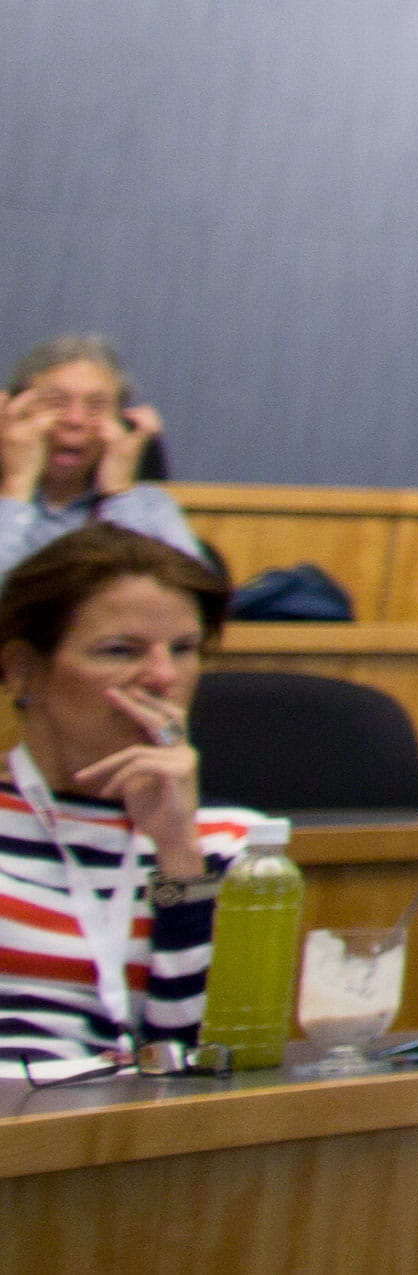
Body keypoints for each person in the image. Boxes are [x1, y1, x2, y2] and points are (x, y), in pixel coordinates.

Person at [0, 526, 260, 1068]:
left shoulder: (239, 847)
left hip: (144, 1139)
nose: (163, 677)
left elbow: (213, 1062)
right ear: (22, 668)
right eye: (120, 651)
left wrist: (178, 853)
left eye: (185, 650)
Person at [3, 336, 203, 566]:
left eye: (96, 405)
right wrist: (17, 485)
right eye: (57, 402)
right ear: (14, 416)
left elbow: (187, 596)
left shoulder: (150, 506)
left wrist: (118, 496)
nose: (75, 420)